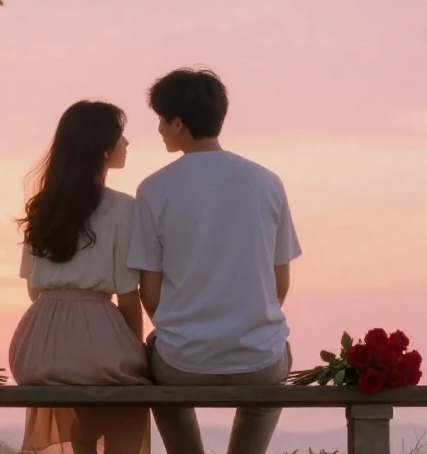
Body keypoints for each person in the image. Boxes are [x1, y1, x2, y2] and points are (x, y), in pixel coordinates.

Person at [127, 68, 302, 454]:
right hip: (259, 357)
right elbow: (280, 283)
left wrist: (185, 332)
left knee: (161, 383)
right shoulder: (266, 182)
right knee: (265, 395)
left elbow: (149, 291)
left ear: (178, 122)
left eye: (161, 120)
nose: (159, 130)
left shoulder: (154, 188)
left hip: (182, 360)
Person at [10, 101, 151, 454]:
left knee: (96, 391)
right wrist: (134, 347)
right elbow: (128, 296)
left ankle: (83, 435)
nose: (127, 144)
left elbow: (33, 289)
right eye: (121, 137)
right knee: (132, 383)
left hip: (36, 345)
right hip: (95, 332)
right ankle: (88, 435)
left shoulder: (42, 207)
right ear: (102, 148)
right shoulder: (123, 207)